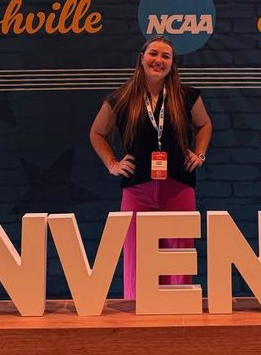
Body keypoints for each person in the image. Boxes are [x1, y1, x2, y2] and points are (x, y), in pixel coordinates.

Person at [89, 35, 212, 300]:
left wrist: (199, 154)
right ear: (141, 59)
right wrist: (112, 163)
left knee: (178, 258)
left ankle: (178, 316)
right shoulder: (120, 98)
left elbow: (205, 125)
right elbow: (97, 133)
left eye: (166, 56)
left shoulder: (187, 96)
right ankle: (138, 321)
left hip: (179, 188)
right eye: (153, 54)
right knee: (136, 259)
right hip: (137, 190)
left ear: (172, 64)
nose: (159, 60)